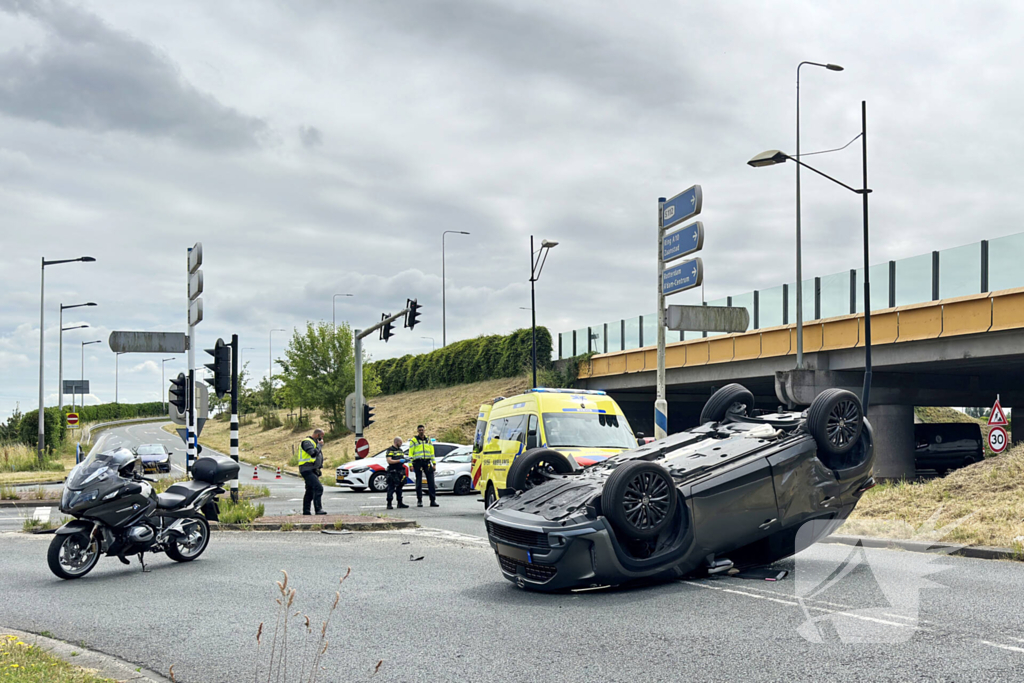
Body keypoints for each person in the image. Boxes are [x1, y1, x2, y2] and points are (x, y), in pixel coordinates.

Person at [298, 429, 327, 516]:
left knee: (310, 491)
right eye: (321, 436)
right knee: (318, 488)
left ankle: (306, 511)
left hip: (312, 469)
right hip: (306, 469)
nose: (322, 438)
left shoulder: (313, 443)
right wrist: (319, 446)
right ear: (317, 435)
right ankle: (318, 509)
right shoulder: (307, 442)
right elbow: (313, 454)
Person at [408, 424, 438, 508]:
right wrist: (410, 465)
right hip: (417, 463)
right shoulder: (414, 440)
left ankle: (433, 500)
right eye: (420, 430)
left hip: (427, 463)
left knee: (431, 482)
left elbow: (432, 453)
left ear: (424, 430)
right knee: (419, 482)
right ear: (417, 431)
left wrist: (434, 463)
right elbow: (410, 454)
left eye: (422, 430)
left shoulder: (428, 440)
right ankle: (419, 500)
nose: (421, 431)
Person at [385, 437, 409, 510]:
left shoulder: (401, 450)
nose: (401, 444)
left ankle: (400, 503)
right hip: (393, 471)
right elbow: (389, 461)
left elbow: (402, 458)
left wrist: (405, 460)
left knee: (399, 488)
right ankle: (389, 504)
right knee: (391, 488)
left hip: (400, 471)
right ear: (396, 442)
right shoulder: (390, 450)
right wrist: (399, 461)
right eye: (400, 442)